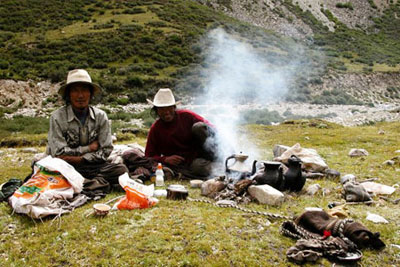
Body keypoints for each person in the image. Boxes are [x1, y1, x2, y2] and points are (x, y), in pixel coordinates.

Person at [46, 69, 128, 195]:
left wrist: (81, 159)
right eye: (75, 91)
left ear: (90, 94)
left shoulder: (101, 116)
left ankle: (83, 184)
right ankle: (96, 184)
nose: (80, 95)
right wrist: (88, 148)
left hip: (92, 165)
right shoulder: (57, 117)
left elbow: (105, 150)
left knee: (121, 170)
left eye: (84, 90)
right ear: (69, 95)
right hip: (66, 167)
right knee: (52, 172)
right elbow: (59, 153)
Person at [145, 88, 218, 179]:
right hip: (192, 163)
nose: (166, 112)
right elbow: (149, 156)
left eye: (169, 107)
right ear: (156, 111)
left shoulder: (187, 116)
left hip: (205, 153)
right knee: (197, 167)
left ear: (174, 107)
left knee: (199, 127)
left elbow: (213, 129)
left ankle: (222, 159)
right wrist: (166, 159)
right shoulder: (156, 129)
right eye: (162, 109)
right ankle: (220, 169)